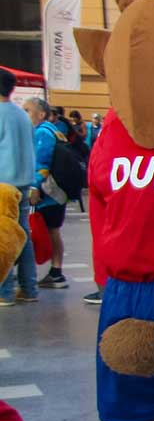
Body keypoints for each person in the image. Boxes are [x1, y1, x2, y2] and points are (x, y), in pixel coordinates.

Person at [0, 68, 38, 307]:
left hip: (3, 184)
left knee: (3, 238)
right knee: (22, 235)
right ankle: (29, 287)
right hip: (23, 182)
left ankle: (4, 291)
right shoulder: (21, 114)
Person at [24, 97, 69, 291]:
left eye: (27, 110)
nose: (24, 113)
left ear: (41, 114)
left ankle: (56, 273)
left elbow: (42, 162)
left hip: (48, 192)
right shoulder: (54, 130)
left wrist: (34, 186)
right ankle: (55, 272)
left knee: (51, 230)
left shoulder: (42, 132)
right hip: (57, 191)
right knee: (53, 230)